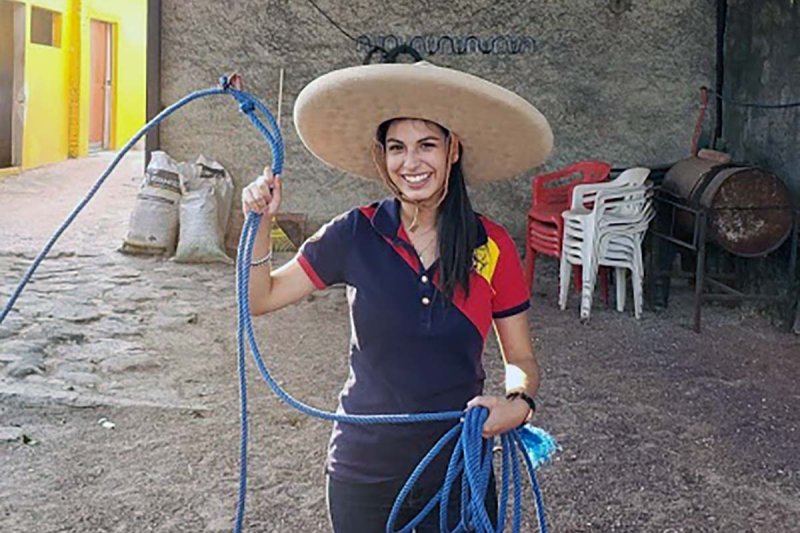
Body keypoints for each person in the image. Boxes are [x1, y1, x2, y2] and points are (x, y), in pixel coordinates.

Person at [241, 61, 553, 532]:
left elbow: (521, 357)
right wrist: (261, 220)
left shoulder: (490, 246)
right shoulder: (355, 232)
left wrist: (518, 402)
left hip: (458, 467)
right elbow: (260, 298)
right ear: (382, 157)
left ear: (453, 151)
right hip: (363, 472)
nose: (411, 163)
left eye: (427, 144)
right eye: (397, 148)